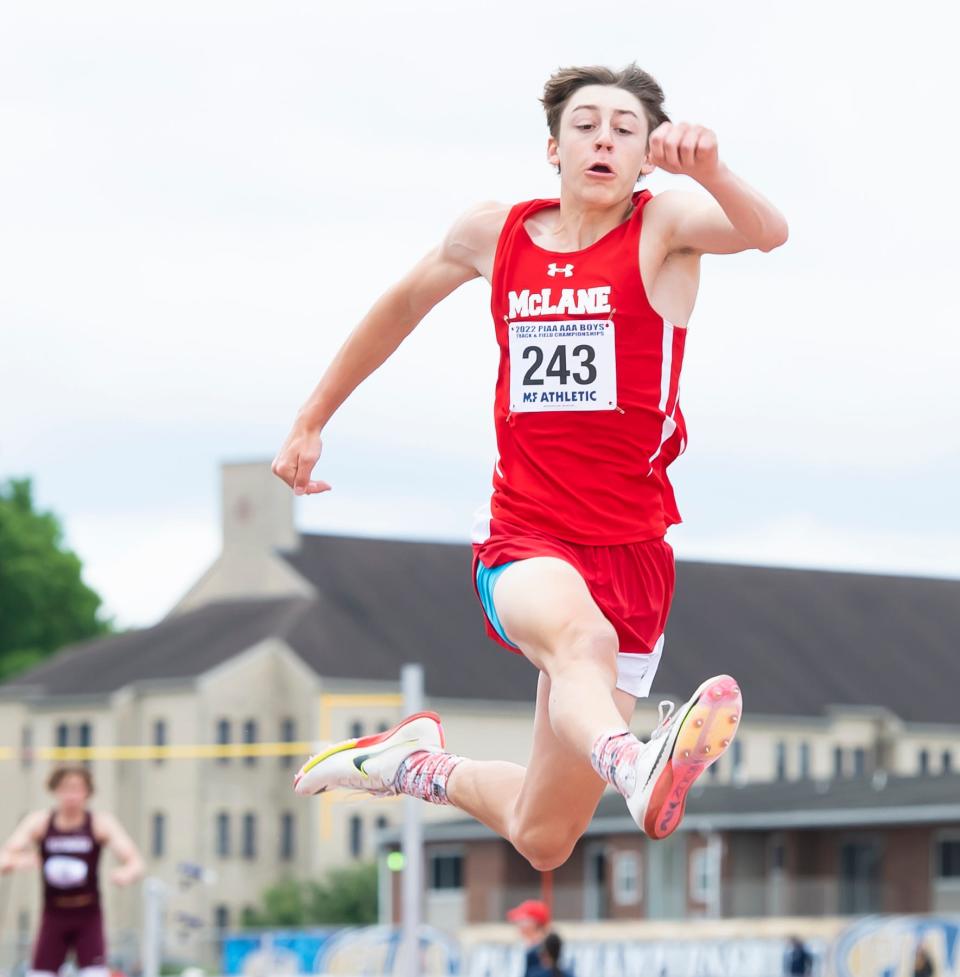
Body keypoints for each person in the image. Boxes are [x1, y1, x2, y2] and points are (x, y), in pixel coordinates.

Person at [276, 62, 787, 868]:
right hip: (527, 535)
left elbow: (766, 231)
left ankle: (410, 762)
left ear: (646, 158)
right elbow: (400, 306)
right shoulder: (494, 233)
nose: (604, 140)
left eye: (625, 129)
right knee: (576, 640)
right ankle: (633, 758)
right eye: (586, 125)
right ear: (553, 147)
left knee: (544, 836)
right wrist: (311, 420)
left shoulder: (666, 226)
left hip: (633, 551)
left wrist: (715, 168)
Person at [0, 765, 144, 977]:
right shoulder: (39, 822)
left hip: (88, 913)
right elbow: (5, 856)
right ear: (55, 790)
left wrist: (126, 873)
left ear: (87, 792)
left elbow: (136, 861)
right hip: (53, 913)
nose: (71, 795)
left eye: (77, 788)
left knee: (95, 973)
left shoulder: (100, 823)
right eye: (66, 788)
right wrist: (18, 860)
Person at [506, 899, 551, 977]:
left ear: (534, 922)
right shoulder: (526, 949)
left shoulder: (543, 953)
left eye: (522, 920)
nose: (518, 923)